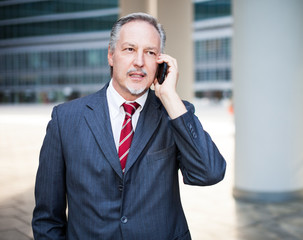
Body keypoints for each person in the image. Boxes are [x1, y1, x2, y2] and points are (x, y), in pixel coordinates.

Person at [32, 12, 226, 240]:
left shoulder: (174, 113)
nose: (139, 62)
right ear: (111, 55)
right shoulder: (65, 119)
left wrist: (170, 97)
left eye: (150, 52)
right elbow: (47, 218)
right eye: (129, 49)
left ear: (160, 61)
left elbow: (209, 173)